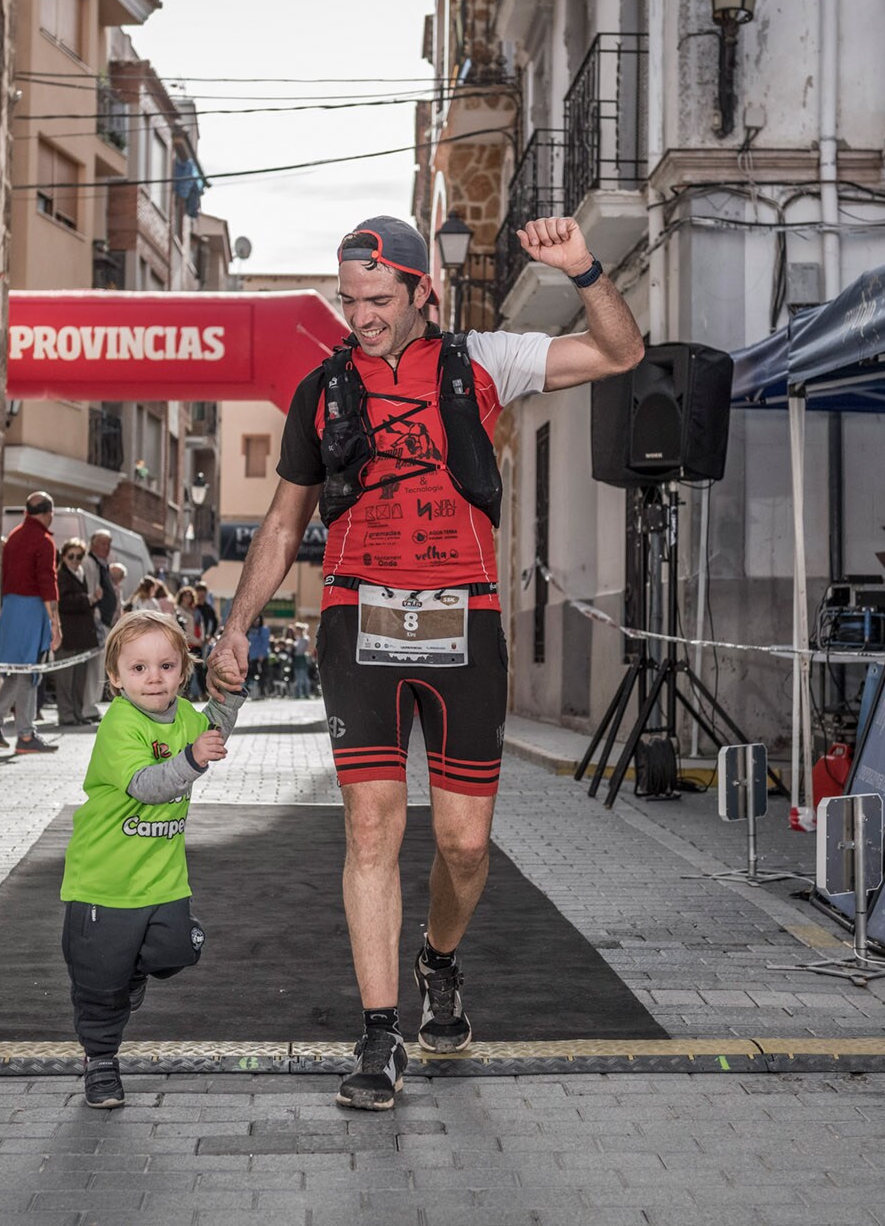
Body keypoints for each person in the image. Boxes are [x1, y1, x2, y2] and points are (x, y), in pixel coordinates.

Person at [207, 212, 644, 1109]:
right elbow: (288, 520)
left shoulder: (484, 360)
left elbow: (619, 353)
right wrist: (238, 624)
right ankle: (378, 1035)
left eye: (376, 300)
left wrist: (587, 270)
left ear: (420, 290)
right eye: (348, 300)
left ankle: (439, 958)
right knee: (371, 828)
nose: (359, 316)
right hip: (356, 617)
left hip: (464, 622)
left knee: (464, 841)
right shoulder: (322, 391)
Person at [60, 610, 244, 1109]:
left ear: (183, 671)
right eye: (139, 668)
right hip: (104, 884)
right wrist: (192, 759)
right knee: (99, 990)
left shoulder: (183, 715)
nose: (154, 677)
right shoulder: (120, 724)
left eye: (166, 665)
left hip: (162, 882)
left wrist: (229, 692)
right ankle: (100, 1063)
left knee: (178, 949)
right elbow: (147, 784)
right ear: (116, 678)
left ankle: (134, 973)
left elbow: (210, 730)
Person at [0, 493, 60, 754]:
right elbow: (47, 583)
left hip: (12, 607)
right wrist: (55, 624)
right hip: (32, 608)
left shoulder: (13, 537)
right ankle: (23, 734)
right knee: (29, 672)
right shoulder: (45, 541)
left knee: (21, 671)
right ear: (48, 514)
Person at [55, 538, 102, 726]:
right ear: (64, 556)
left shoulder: (81, 573)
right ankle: (66, 715)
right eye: (71, 556)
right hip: (68, 634)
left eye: (79, 556)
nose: (75, 560)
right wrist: (88, 599)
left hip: (82, 634)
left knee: (80, 679)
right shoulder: (61, 575)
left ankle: (77, 712)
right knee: (65, 679)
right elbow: (64, 602)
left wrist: (93, 600)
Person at [86, 530, 123, 709]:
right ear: (93, 544)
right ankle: (88, 705)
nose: (106, 548)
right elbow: (94, 591)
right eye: (103, 544)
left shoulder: (103, 565)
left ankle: (92, 704)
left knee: (100, 665)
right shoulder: (91, 562)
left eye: (108, 544)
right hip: (97, 621)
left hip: (105, 622)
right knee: (94, 667)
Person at [245, 619, 272, 698]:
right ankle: (255, 692)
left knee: (262, 675)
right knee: (253, 675)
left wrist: (262, 654)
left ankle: (262, 692)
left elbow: (265, 642)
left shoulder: (264, 629)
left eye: (257, 620)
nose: (256, 622)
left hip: (261, 656)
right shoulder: (251, 630)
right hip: (253, 656)